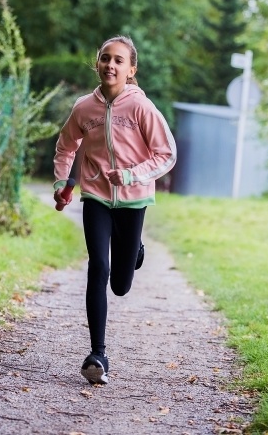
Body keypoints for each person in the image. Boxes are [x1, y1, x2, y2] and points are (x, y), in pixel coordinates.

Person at [52, 35, 177, 384]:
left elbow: (166, 153)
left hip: (133, 198)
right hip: (96, 197)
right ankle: (98, 355)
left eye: (119, 60)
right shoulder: (84, 108)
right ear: (97, 64)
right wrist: (63, 182)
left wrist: (131, 175)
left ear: (131, 70)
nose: (111, 64)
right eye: (105, 58)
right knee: (99, 267)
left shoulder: (141, 108)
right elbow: (65, 147)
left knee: (121, 284)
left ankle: (135, 247)